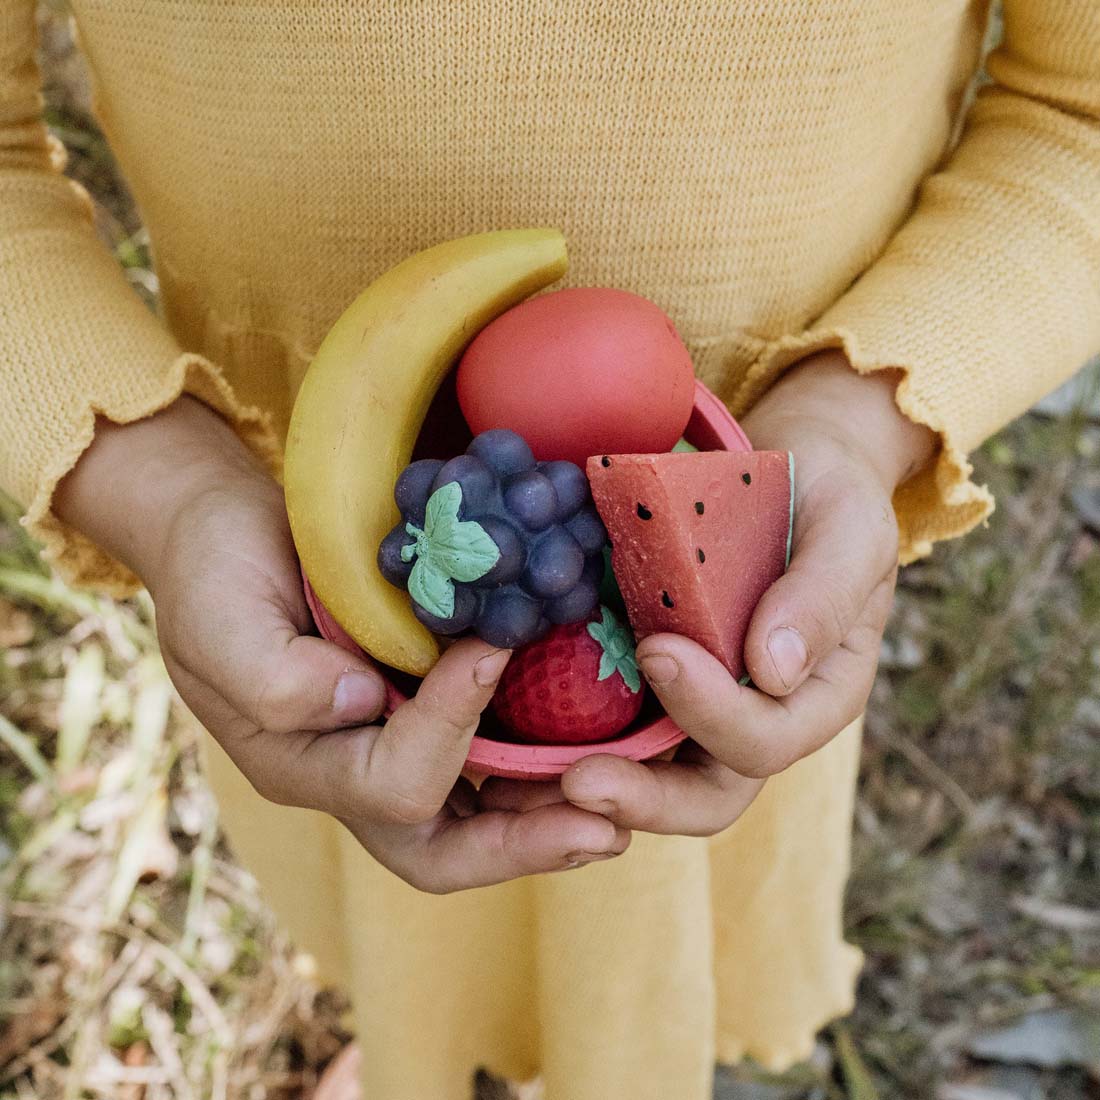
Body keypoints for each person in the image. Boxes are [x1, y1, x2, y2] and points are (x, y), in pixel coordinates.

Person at [2, 3, 1098, 1098]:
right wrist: (169, 487)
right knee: (382, 911)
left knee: (666, 918)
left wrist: (856, 422)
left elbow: (1075, 112)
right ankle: (417, 1038)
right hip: (304, 567)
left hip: (737, 551)